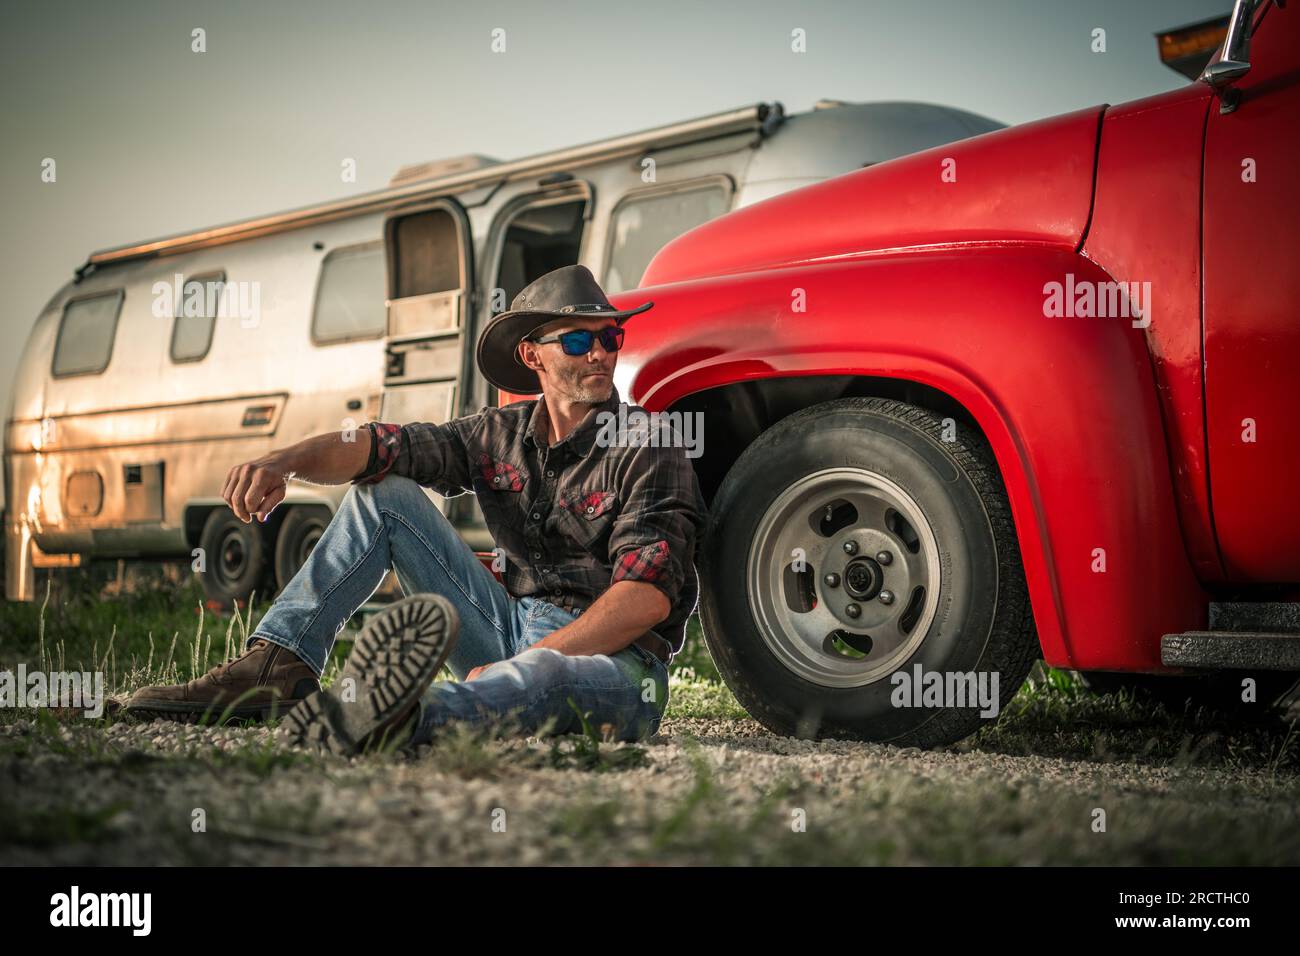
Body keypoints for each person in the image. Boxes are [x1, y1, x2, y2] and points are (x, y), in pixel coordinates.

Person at [125, 264, 708, 755]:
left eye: (610, 339)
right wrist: (283, 460)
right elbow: (380, 447)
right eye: (579, 341)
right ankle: (276, 664)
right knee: (384, 492)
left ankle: (386, 717)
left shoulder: (650, 444)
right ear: (532, 355)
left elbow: (645, 598)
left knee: (542, 677)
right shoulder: (495, 435)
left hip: (616, 665)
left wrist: (527, 660)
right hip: (512, 630)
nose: (601, 354)